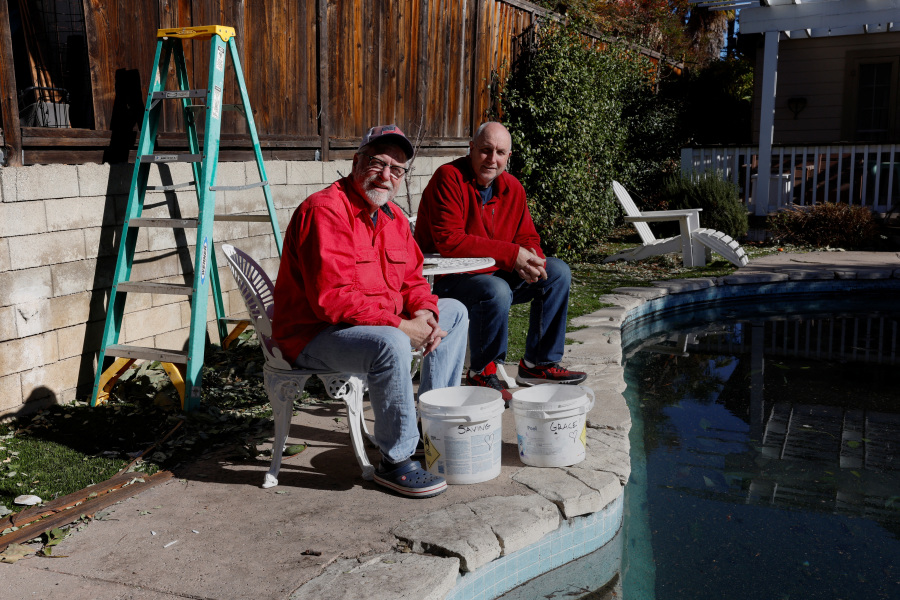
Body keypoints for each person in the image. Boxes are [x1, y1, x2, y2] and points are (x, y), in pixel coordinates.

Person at [272, 124, 468, 499]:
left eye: (397, 170)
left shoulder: (393, 217)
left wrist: (425, 313)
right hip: (313, 333)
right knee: (391, 342)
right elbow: (333, 300)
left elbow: (412, 278)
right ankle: (395, 461)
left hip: (371, 323)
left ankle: (432, 429)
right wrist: (401, 325)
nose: (386, 176)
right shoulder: (325, 211)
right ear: (356, 161)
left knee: (454, 311)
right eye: (378, 163)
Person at [414, 121, 585, 402]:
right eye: (485, 150)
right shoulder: (448, 178)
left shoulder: (512, 188)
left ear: (509, 157)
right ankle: (482, 371)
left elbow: (527, 236)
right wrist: (511, 255)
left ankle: (537, 365)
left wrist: (532, 259)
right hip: (446, 278)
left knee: (556, 272)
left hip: (494, 272)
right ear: (471, 150)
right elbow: (450, 241)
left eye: (500, 152)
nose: (492, 159)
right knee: (495, 290)